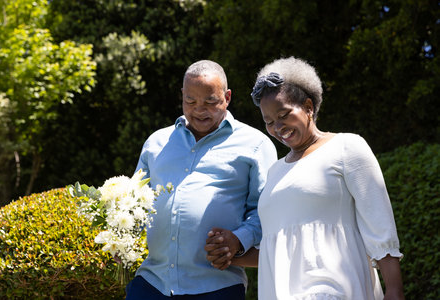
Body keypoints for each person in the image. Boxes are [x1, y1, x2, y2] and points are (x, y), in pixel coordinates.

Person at [206, 57, 405, 299]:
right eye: (269, 122)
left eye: (284, 115)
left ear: (308, 107)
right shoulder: (275, 171)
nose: (278, 127)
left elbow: (379, 225)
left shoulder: (347, 147)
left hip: (335, 290)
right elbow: (278, 246)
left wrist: (394, 289)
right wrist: (230, 252)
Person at [125, 60, 277, 299]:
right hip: (151, 283)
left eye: (210, 101)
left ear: (227, 97)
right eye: (190, 101)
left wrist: (239, 239)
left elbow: (267, 211)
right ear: (182, 96)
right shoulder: (156, 142)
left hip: (217, 286)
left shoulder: (256, 145)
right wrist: (121, 234)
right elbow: (132, 202)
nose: (199, 109)